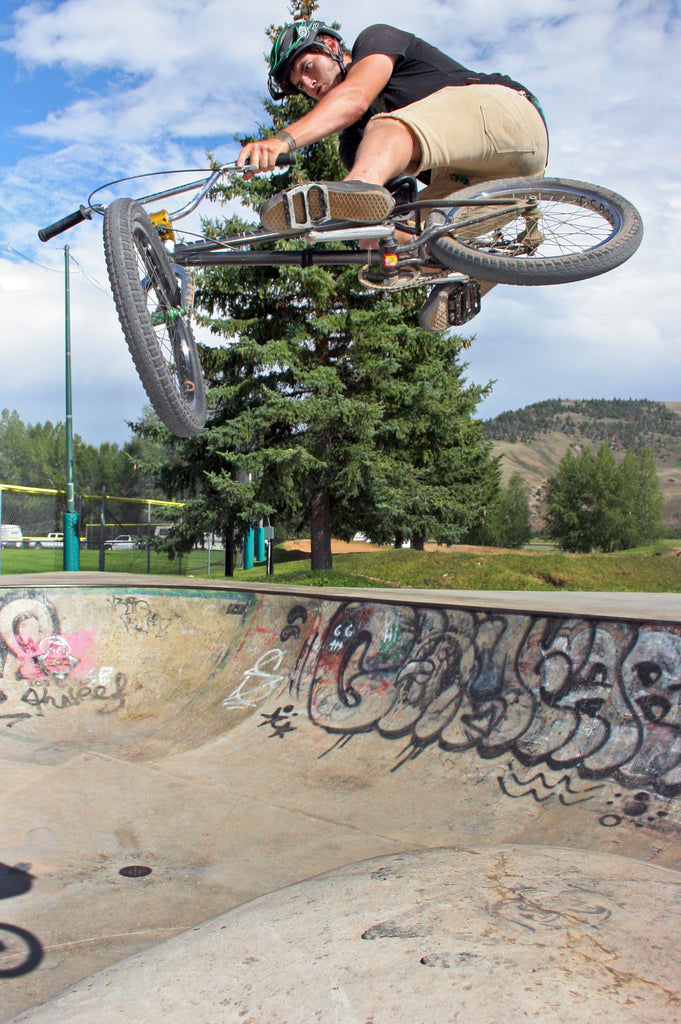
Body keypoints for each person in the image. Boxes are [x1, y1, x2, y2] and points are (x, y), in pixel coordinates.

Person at [237, 20, 549, 330]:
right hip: (505, 188)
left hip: (510, 121)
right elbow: (392, 204)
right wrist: (378, 240)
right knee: (400, 235)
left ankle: (358, 187)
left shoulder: (376, 40)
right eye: (301, 86)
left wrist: (281, 141)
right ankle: (475, 273)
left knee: (385, 128)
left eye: (308, 68)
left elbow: (355, 98)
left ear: (330, 47)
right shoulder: (354, 144)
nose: (309, 84)